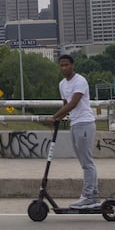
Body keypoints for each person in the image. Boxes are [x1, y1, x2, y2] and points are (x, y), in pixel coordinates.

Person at [47, 54, 100, 209]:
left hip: (85, 123)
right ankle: (94, 196)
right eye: (61, 65)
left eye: (66, 65)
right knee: (85, 163)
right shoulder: (62, 84)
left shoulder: (80, 81)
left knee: (87, 163)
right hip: (75, 124)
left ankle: (88, 197)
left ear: (72, 65)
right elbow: (65, 105)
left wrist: (54, 116)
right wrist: (58, 118)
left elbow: (74, 103)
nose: (64, 68)